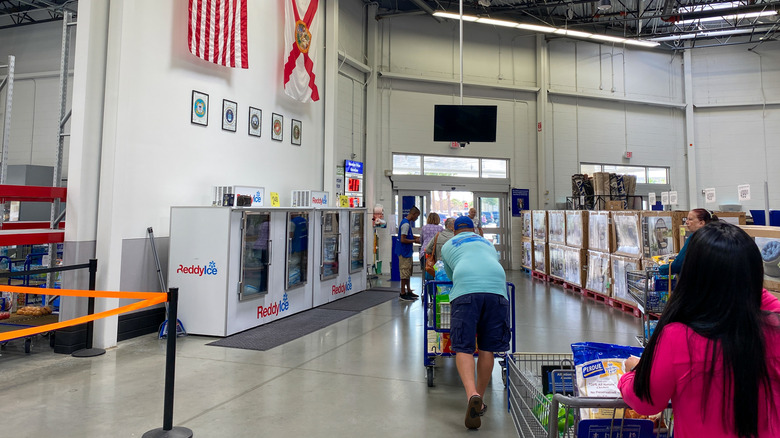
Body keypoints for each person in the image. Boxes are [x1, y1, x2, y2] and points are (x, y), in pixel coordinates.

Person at [618, 221, 780, 438]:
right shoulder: (774, 330)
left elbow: (646, 401)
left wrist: (631, 374)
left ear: (692, 274)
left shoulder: (677, 337)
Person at [440, 216, 509, 430]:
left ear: (454, 231)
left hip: (467, 289)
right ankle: (481, 399)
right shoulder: (486, 243)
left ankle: (472, 394)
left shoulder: (449, 244)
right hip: (498, 288)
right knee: (487, 348)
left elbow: (451, 275)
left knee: (464, 347)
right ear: (474, 229)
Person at [658, 208, 716, 275]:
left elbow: (678, 265)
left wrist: (662, 269)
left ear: (701, 223)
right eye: (687, 219)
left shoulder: (695, 238)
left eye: (690, 219)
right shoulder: (714, 235)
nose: (686, 222)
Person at [397, 206, 421, 301]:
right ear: (413, 214)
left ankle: (409, 290)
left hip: (407, 252)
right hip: (404, 252)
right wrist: (414, 241)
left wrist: (416, 237)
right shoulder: (406, 225)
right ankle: (403, 292)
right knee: (404, 272)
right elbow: (403, 239)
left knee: (408, 272)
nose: (417, 218)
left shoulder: (406, 223)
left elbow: (408, 235)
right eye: (417, 216)